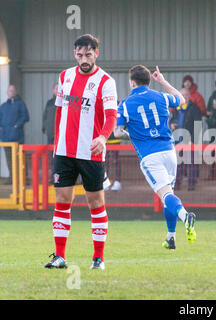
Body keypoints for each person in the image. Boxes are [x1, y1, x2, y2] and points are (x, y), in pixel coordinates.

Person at [44, 34, 118, 271]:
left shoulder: (106, 81)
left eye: (88, 54)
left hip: (91, 152)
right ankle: (60, 256)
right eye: (79, 54)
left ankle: (98, 258)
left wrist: (103, 137)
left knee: (95, 203)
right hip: (64, 151)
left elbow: (111, 116)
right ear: (74, 53)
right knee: (62, 201)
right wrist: (56, 144)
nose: (84, 59)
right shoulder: (65, 76)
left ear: (97, 53)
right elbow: (58, 112)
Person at [114, 65, 196, 250]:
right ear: (149, 81)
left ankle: (185, 216)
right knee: (169, 195)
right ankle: (171, 237)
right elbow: (182, 99)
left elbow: (117, 132)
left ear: (132, 82)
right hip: (169, 152)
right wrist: (164, 82)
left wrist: (131, 134)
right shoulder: (160, 96)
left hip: (150, 156)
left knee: (166, 195)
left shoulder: (126, 104)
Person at [171, 88, 202, 191]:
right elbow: (172, 119)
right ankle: (177, 183)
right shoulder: (177, 108)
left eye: (185, 95)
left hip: (189, 141)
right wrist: (172, 124)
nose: (184, 97)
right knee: (178, 163)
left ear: (189, 96)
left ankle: (191, 184)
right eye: (182, 95)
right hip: (178, 140)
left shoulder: (195, 109)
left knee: (191, 163)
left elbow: (198, 125)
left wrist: (192, 140)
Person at [0, 84, 30, 184]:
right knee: (9, 159)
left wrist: (17, 125)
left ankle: (23, 179)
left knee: (20, 158)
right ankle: (12, 178)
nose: (11, 92)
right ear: (7, 92)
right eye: (9, 90)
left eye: (13, 90)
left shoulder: (20, 104)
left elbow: (26, 117)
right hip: (5, 137)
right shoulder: (3, 106)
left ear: (15, 92)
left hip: (17, 137)